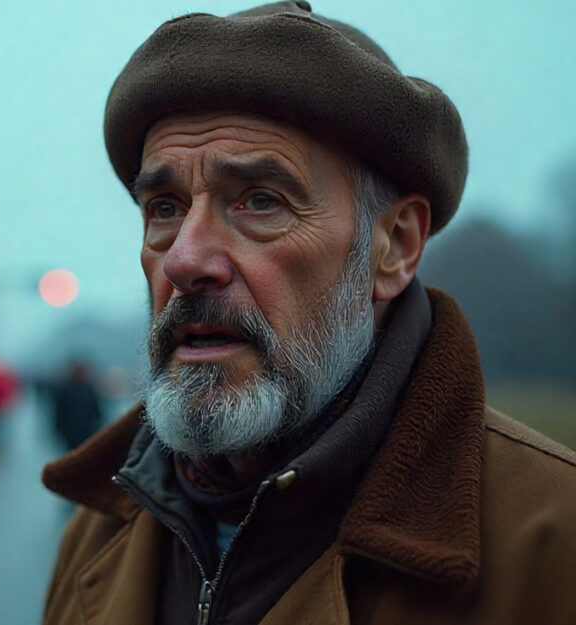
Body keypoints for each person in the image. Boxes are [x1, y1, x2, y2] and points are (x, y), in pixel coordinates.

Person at [41, 4, 576, 624]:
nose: (185, 260)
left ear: (395, 246)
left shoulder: (552, 543)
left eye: (260, 201)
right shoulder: (97, 532)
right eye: (165, 208)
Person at [52, 362, 103, 452]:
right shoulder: (84, 390)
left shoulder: (68, 390)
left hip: (80, 431)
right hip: (75, 431)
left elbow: (96, 411)